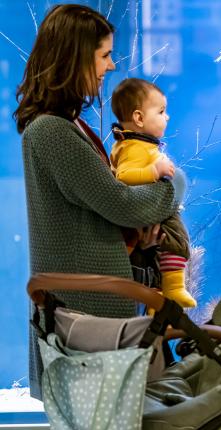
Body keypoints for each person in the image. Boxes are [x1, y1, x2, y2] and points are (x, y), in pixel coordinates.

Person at [14, 4, 180, 399]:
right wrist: (173, 184)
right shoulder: (53, 131)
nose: (110, 65)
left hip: (89, 315)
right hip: (85, 320)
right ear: (74, 58)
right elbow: (122, 203)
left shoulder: (64, 125)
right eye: (103, 55)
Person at [110, 78, 196, 308]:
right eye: (161, 111)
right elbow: (124, 176)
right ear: (139, 118)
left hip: (147, 216)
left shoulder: (136, 143)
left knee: (160, 254)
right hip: (146, 214)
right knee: (177, 236)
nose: (167, 117)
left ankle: (159, 301)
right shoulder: (133, 147)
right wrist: (154, 170)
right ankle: (174, 288)